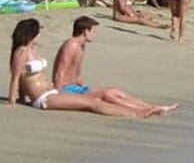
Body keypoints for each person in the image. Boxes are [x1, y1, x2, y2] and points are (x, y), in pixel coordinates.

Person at [8, 18, 161, 118]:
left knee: (91, 100)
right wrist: (13, 102)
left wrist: (23, 99)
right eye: (38, 33)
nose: (39, 35)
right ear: (32, 34)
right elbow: (16, 79)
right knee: (90, 103)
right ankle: (135, 113)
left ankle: (138, 110)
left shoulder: (33, 50)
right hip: (43, 98)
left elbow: (24, 79)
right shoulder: (20, 52)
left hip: (51, 91)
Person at [52, 16, 178, 114]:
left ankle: (149, 107)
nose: (95, 34)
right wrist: (59, 96)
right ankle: (143, 110)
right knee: (108, 95)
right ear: (85, 31)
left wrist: (82, 85)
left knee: (114, 91)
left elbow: (76, 73)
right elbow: (60, 73)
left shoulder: (81, 46)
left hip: (75, 88)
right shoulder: (71, 45)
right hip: (66, 90)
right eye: (93, 31)